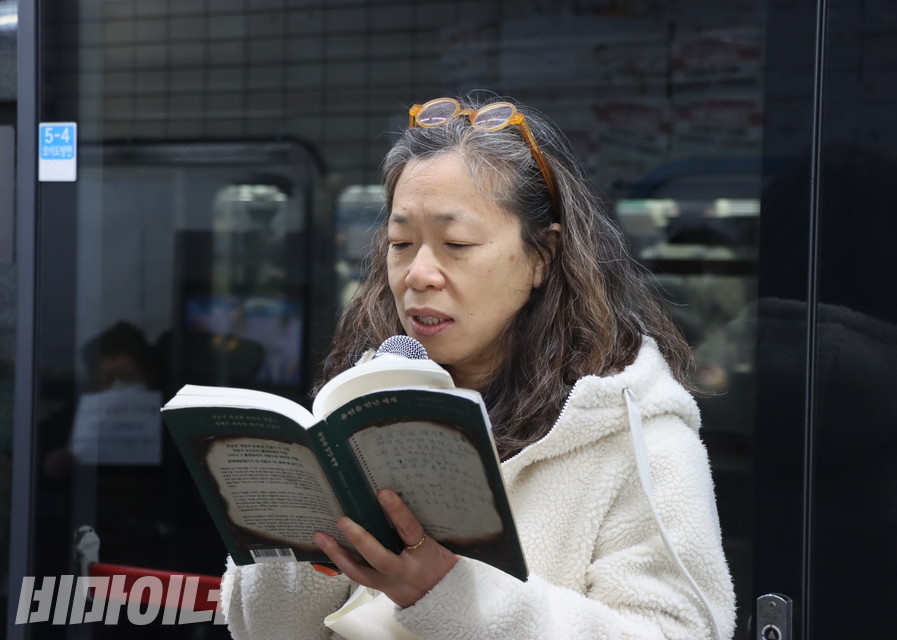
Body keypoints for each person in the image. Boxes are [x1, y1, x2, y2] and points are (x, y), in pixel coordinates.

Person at [220, 93, 736, 639]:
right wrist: (313, 546)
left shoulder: (633, 434)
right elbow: (261, 630)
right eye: (400, 242)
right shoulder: (358, 402)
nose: (418, 274)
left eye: (457, 243)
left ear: (542, 256)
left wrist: (453, 595)